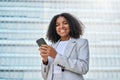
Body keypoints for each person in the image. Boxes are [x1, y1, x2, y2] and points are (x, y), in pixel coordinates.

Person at [39, 13, 89, 80]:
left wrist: (56, 56)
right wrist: (45, 60)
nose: (61, 26)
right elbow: (45, 77)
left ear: (71, 25)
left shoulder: (81, 43)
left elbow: (83, 68)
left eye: (65, 23)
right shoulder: (52, 46)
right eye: (57, 25)